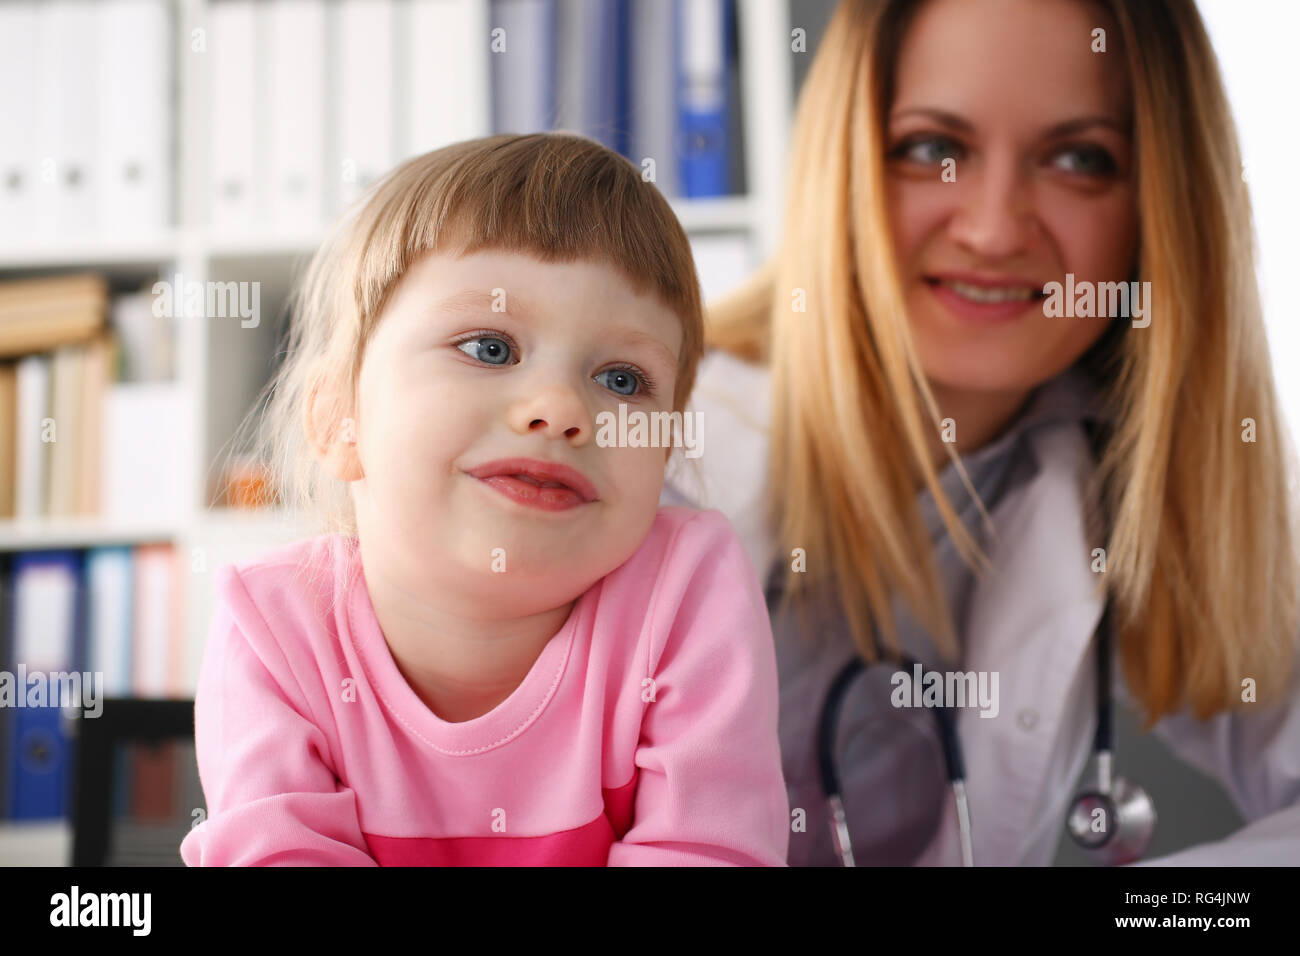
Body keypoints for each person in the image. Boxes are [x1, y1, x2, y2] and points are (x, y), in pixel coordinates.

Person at [664, 0, 1300, 865]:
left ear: (1164, 203)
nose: (995, 228)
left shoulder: (1151, 476)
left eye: (1080, 159)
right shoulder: (651, 444)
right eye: (934, 149)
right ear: (843, 162)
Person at [181, 132, 788, 866]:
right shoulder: (274, 628)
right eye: (489, 348)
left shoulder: (688, 587)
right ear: (337, 417)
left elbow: (709, 852)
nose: (560, 406)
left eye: (624, 380)